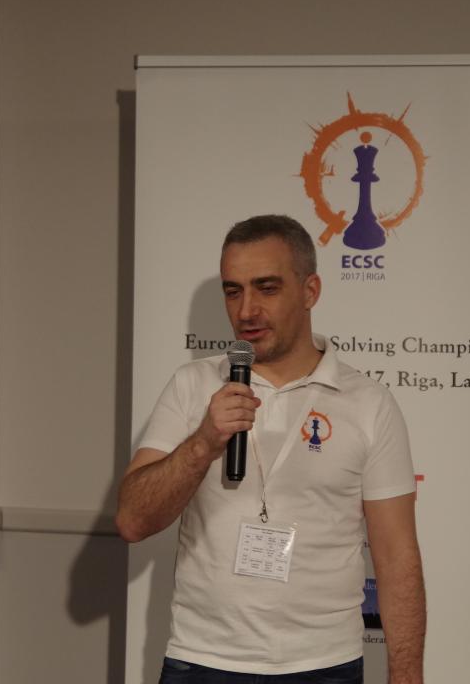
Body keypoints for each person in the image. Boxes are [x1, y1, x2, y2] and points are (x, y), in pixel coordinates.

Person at [117, 215, 426, 683]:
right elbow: (132, 521)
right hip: (202, 661)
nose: (246, 310)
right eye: (233, 291)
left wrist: (407, 676)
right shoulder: (192, 385)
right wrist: (203, 443)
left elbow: (397, 556)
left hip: (324, 666)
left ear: (310, 290)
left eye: (266, 288)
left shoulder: (369, 403)